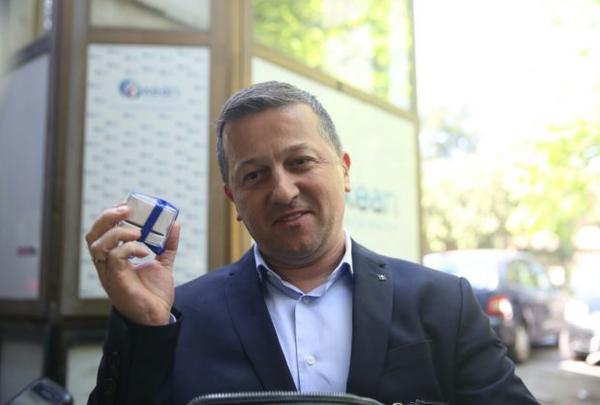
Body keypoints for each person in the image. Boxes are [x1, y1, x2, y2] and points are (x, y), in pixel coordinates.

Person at [87, 81, 539, 405]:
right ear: (234, 199)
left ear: (344, 170)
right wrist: (146, 329)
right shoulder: (176, 319)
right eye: (254, 175)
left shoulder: (442, 303)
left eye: (300, 161)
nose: (283, 191)